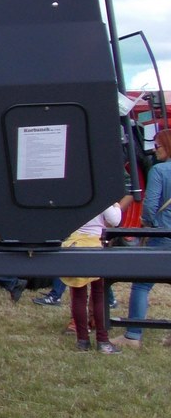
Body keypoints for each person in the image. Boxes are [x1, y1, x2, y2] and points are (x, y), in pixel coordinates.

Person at [118, 128, 171, 348]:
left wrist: (148, 223)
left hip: (162, 234)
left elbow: (150, 206)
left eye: (157, 146)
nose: (154, 150)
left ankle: (133, 335)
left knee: (141, 285)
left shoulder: (159, 170)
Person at [61, 196, 130, 352]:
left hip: (74, 245)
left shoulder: (69, 194)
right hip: (95, 244)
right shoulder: (98, 194)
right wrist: (116, 204)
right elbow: (115, 220)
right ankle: (103, 341)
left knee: (78, 296)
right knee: (99, 295)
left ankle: (82, 341)